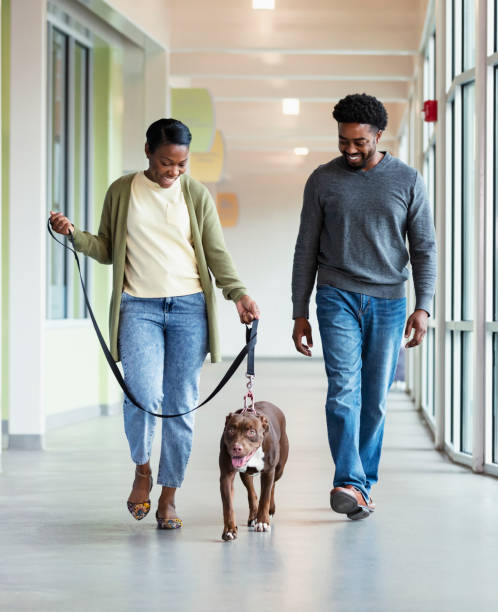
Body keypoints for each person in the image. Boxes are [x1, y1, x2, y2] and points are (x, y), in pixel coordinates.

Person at [50, 118, 259, 529]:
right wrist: (74, 234)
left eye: (181, 165)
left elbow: (216, 254)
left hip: (188, 310)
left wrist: (239, 294)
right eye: (167, 163)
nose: (174, 172)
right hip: (138, 308)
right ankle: (142, 470)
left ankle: (168, 497)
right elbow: (108, 248)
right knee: (141, 394)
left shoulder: (195, 195)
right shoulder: (123, 190)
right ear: (148, 151)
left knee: (181, 405)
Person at [291, 94, 436, 520]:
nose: (350, 150)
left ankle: (363, 486)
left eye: (359, 142)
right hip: (335, 295)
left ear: (378, 136)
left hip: (390, 302)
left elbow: (424, 248)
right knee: (342, 391)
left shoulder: (408, 180)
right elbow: (305, 249)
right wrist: (299, 310)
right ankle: (349, 481)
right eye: (343, 141)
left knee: (374, 399)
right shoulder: (322, 181)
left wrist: (423, 306)